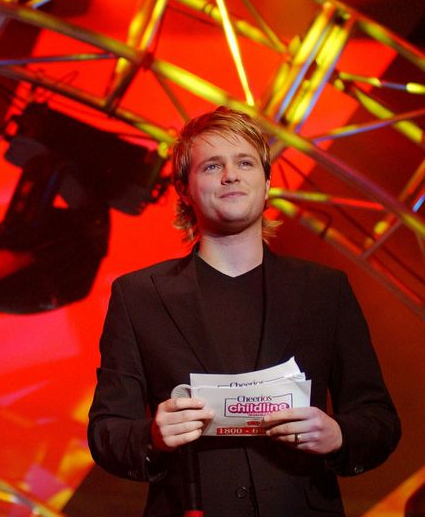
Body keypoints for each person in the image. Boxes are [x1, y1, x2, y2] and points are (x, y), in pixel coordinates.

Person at [87, 106, 400, 516]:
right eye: (212, 165)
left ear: (267, 184)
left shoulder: (325, 290)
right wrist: (153, 436)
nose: (230, 175)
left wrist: (339, 434)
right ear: (183, 189)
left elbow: (378, 417)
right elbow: (106, 429)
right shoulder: (138, 295)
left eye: (245, 163)